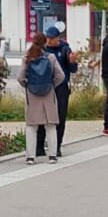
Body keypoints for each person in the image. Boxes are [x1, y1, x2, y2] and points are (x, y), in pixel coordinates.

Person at [18, 32, 67, 164]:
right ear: (45, 43)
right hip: (48, 94)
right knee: (50, 126)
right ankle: (52, 155)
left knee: (31, 127)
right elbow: (61, 76)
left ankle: (30, 157)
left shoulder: (27, 58)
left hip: (32, 95)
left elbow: (20, 78)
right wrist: (51, 85)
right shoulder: (50, 57)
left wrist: (28, 86)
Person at [35, 25, 78, 158]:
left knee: (59, 117)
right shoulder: (42, 49)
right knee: (42, 117)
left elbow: (72, 69)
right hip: (45, 86)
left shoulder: (64, 49)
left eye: (51, 38)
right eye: (47, 37)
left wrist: (72, 62)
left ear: (58, 38)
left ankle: (56, 146)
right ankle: (39, 146)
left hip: (61, 87)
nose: (49, 40)